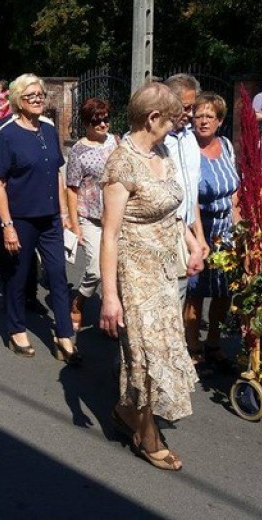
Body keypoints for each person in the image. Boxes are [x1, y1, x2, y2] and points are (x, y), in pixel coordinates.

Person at [99, 82, 203, 472]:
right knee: (147, 351)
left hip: (163, 266)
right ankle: (147, 434)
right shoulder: (121, 164)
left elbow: (173, 209)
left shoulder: (161, 151)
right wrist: (110, 297)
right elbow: (108, 235)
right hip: (134, 267)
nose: (178, 127)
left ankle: (127, 412)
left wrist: (193, 242)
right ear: (153, 117)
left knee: (164, 343)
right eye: (173, 120)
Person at [0, 73, 80, 364]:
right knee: (17, 275)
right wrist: (8, 225)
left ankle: (64, 335)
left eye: (41, 95)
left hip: (50, 219)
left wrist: (64, 214)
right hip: (21, 219)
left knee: (58, 275)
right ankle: (16, 329)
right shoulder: (6, 133)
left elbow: (58, 175)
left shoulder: (49, 130)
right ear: (18, 101)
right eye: (31, 96)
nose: (38, 99)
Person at [183, 93, 240, 373]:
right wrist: (199, 238)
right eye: (198, 116)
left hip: (226, 228)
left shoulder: (226, 146)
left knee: (223, 290)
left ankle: (214, 343)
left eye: (209, 116)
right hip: (199, 227)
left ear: (219, 121)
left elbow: (235, 190)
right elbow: (188, 196)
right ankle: (192, 347)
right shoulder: (188, 147)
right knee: (196, 291)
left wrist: (239, 226)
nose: (203, 121)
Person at [65, 97, 117, 332]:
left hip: (115, 216)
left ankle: (111, 319)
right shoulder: (78, 150)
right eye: (97, 121)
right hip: (90, 216)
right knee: (96, 270)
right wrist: (75, 224)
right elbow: (72, 188)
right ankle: (78, 302)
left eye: (106, 120)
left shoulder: (115, 142)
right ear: (86, 123)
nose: (103, 125)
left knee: (116, 271)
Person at [163, 73, 208, 302]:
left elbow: (192, 194)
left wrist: (199, 235)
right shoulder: (155, 142)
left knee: (178, 300)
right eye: (187, 108)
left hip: (186, 232)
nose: (191, 115)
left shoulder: (190, 139)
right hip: (162, 235)